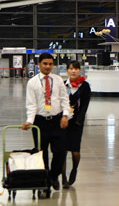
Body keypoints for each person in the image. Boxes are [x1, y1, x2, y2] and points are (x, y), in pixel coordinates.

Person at [22, 53, 70, 191]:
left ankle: (53, 176)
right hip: (40, 122)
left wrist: (65, 115)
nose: (48, 66)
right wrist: (29, 121)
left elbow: (64, 99)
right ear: (39, 65)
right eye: (45, 64)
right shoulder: (32, 83)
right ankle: (45, 182)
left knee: (61, 152)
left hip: (57, 121)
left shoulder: (58, 80)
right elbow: (31, 104)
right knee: (41, 153)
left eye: (50, 64)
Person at [62, 61, 91, 189]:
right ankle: (63, 176)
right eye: (71, 69)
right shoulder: (63, 85)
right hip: (64, 121)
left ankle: (74, 169)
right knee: (62, 151)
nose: (73, 71)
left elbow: (85, 104)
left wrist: (80, 120)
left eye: (76, 69)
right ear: (67, 70)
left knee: (75, 151)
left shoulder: (85, 86)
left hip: (77, 122)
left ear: (79, 70)